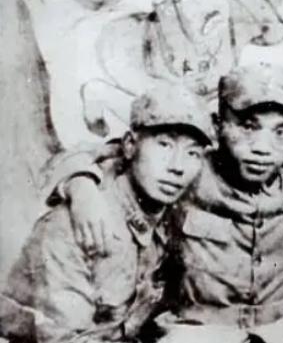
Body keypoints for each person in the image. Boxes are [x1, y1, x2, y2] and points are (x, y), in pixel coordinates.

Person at [52, 63, 283, 343]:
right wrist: (80, 185)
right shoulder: (189, 169)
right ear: (218, 125)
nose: (263, 149)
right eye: (248, 127)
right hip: (198, 331)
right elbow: (105, 155)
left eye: (280, 132)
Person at [0, 83, 212, 343]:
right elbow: (64, 339)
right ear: (130, 145)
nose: (177, 167)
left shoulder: (169, 213)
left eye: (192, 153)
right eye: (164, 145)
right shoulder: (80, 223)